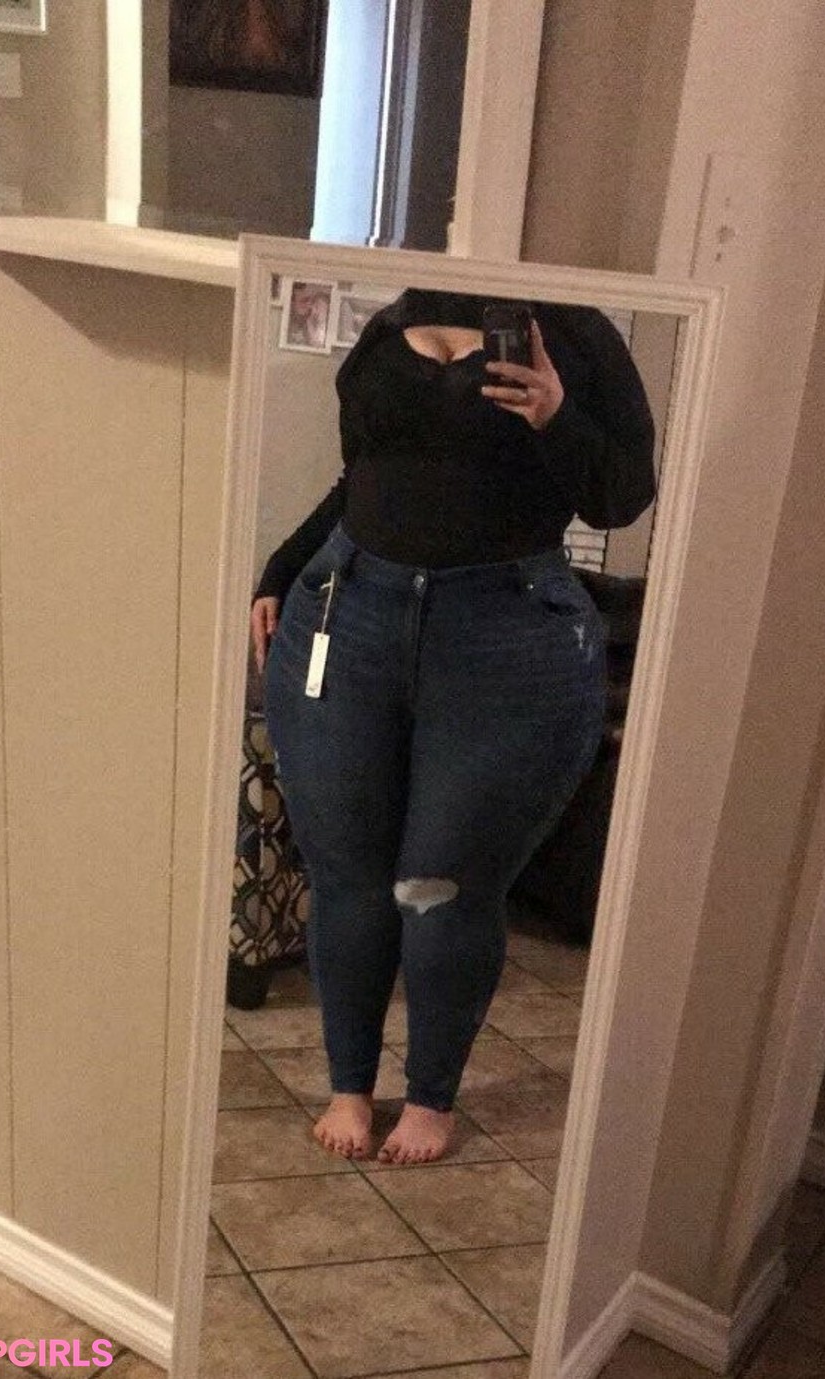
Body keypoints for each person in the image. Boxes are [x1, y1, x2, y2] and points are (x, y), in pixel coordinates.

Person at [250, 288, 655, 1164]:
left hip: (505, 633)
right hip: (349, 613)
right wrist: (280, 568)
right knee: (348, 873)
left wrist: (555, 414)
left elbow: (623, 495)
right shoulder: (397, 315)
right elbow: (361, 477)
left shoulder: (577, 331)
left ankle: (431, 1096)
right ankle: (349, 1085)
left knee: (442, 885)